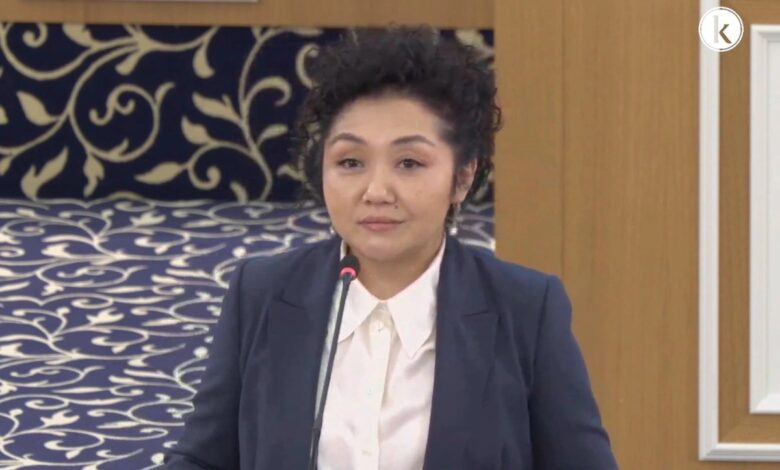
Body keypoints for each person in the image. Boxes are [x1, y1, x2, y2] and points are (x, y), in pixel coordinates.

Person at [164, 26, 619, 470]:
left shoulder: (525, 309)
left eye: (409, 163)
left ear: (462, 178)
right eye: (350, 162)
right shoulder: (262, 292)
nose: (376, 191)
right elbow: (202, 458)